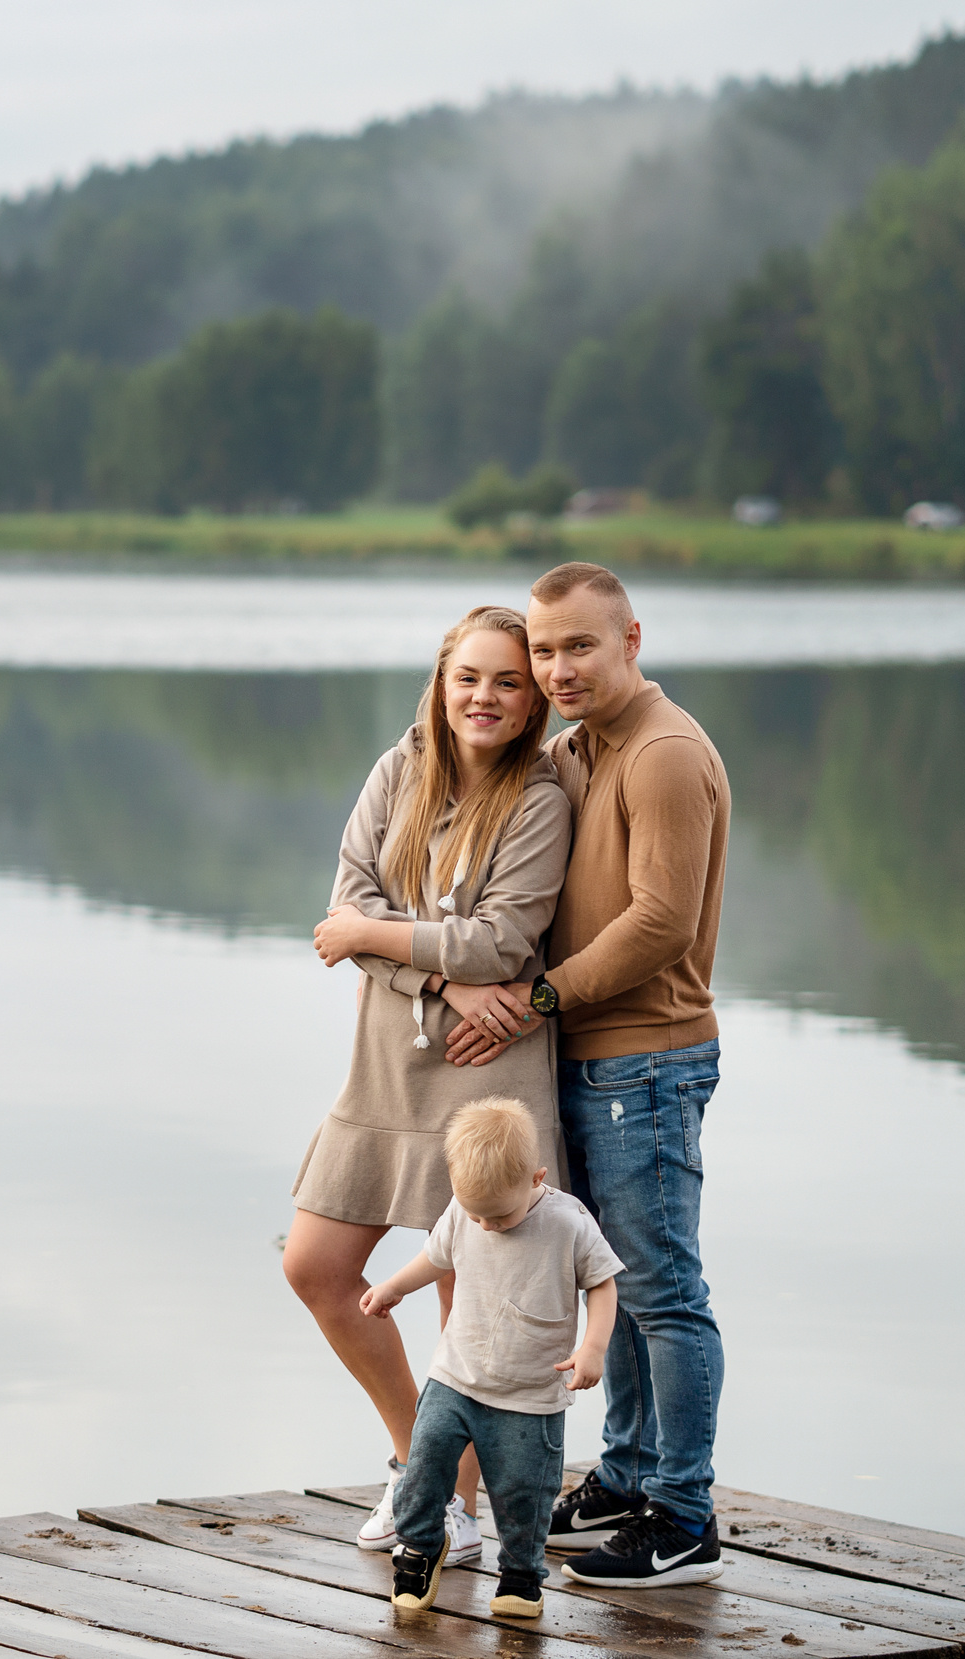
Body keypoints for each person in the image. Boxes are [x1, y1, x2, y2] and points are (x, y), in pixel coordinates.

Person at [443, 561, 733, 1590]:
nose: (556, 667)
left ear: (631, 641)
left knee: (661, 1291)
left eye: (579, 646)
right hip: (593, 1062)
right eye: (543, 648)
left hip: (646, 1059)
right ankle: (622, 1479)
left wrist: (538, 999)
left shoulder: (659, 754)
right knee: (617, 1275)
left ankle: (685, 1515)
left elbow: (657, 923)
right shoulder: (578, 751)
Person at [286, 604, 573, 1567]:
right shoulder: (401, 765)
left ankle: (450, 1506)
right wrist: (442, 978)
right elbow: (348, 907)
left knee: (468, 1305)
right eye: (469, 677)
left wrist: (382, 942)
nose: (485, 696)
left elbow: (501, 938)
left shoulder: (540, 796)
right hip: (386, 1070)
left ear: (531, 699)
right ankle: (420, 1459)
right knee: (315, 1267)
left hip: (486, 1080)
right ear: (441, 681)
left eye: (507, 681)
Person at [361, 1097, 619, 1618]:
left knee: (524, 1491)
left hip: (530, 1395)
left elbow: (603, 1284)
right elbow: (434, 1257)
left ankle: (521, 1576)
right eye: (474, 1212)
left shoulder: (568, 1223)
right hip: (454, 1377)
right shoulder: (465, 1211)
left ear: (536, 1178)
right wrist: (394, 1287)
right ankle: (420, 1546)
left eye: (499, 1214)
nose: (485, 1225)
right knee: (425, 1467)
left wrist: (593, 1347)